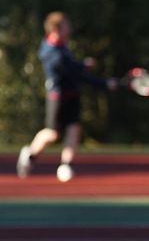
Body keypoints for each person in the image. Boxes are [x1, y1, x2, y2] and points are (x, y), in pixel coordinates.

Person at [16, 11, 118, 182]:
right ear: (56, 28)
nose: (69, 28)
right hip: (57, 97)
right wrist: (105, 84)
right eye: (66, 25)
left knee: (73, 129)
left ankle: (65, 165)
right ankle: (30, 154)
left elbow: (72, 67)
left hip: (73, 94)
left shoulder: (62, 46)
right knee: (52, 134)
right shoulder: (52, 53)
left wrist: (82, 65)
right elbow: (74, 74)